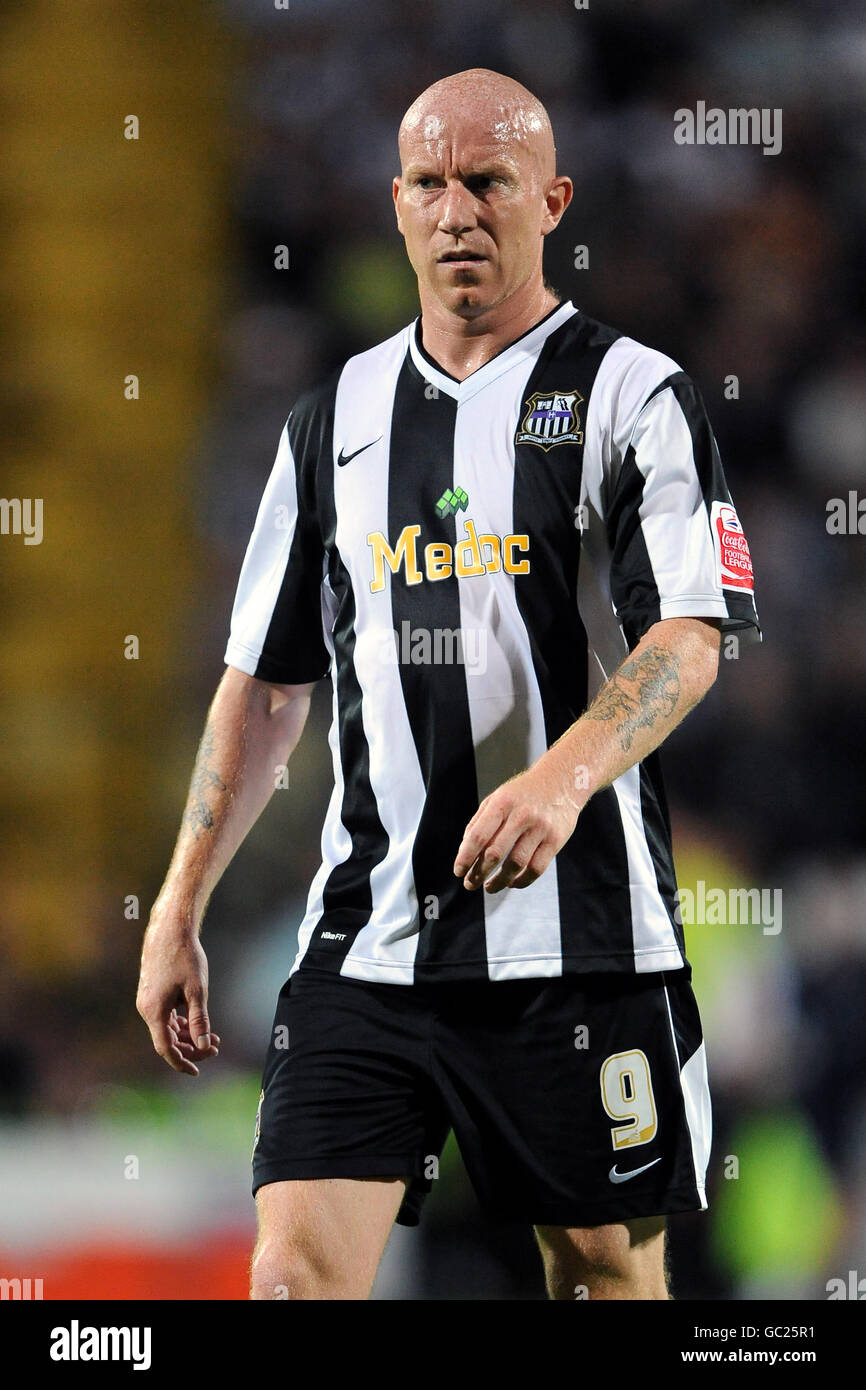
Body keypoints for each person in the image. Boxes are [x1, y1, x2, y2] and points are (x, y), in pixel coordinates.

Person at [136, 68, 760, 1300]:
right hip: (369, 937)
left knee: (599, 1280)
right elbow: (264, 685)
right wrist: (175, 904)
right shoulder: (333, 419)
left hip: (579, 943)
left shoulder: (632, 392)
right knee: (290, 1278)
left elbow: (689, 631)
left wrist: (557, 781)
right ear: (396, 204)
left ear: (551, 201)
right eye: (429, 182)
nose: (456, 209)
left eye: (487, 181)